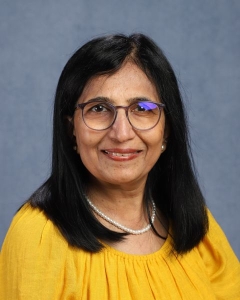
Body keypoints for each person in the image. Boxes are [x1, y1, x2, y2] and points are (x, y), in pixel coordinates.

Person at [0, 33, 239, 299]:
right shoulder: (38, 236)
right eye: (99, 108)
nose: (122, 133)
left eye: (143, 108)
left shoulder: (192, 223)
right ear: (72, 130)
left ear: (167, 129)